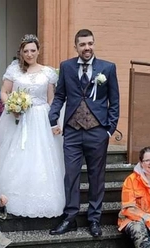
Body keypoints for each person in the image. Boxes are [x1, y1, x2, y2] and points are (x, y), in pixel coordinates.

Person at [0, 34, 65, 218]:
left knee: (40, 157)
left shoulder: (48, 73)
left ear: (38, 51)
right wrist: (12, 105)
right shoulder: (14, 70)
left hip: (41, 117)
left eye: (33, 50)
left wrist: (54, 122)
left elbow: (51, 99)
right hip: (17, 119)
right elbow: (4, 92)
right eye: (25, 51)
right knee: (16, 154)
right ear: (21, 52)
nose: (29, 54)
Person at [49, 29, 120, 237]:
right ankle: (70, 217)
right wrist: (53, 116)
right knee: (70, 175)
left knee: (96, 176)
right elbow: (60, 95)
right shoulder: (67, 67)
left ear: (94, 44)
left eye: (90, 44)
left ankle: (94, 219)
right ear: (76, 47)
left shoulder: (107, 68)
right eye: (82, 44)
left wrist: (109, 128)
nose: (87, 48)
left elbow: (114, 101)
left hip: (97, 131)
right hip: (72, 131)